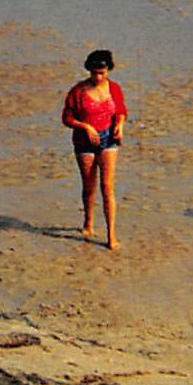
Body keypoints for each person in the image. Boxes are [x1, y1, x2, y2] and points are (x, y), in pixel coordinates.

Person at [62, 49, 127, 251]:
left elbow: (121, 111)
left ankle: (111, 235)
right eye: (94, 73)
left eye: (102, 73)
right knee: (89, 186)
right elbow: (67, 117)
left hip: (108, 139)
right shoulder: (78, 91)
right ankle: (88, 220)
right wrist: (85, 126)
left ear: (108, 71)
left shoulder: (114, 88)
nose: (98, 77)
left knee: (107, 187)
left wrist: (119, 126)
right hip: (84, 141)